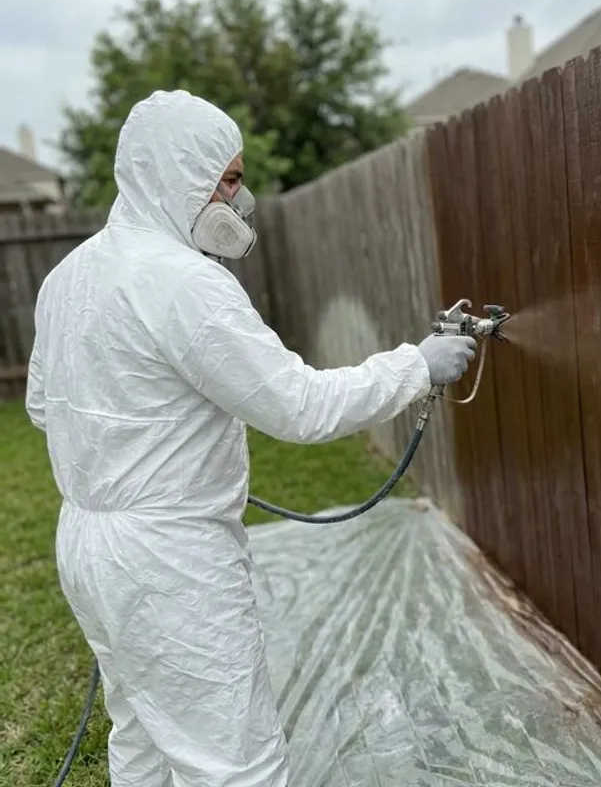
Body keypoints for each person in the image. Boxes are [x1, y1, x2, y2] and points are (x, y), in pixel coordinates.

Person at [25, 89, 475, 787]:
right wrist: (416, 364)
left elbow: (41, 407)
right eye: (228, 180)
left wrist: (141, 451)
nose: (241, 200)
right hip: (170, 563)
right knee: (235, 765)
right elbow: (299, 407)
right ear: (177, 176)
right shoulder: (184, 284)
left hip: (86, 546)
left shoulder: (66, 277)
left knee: (142, 733)